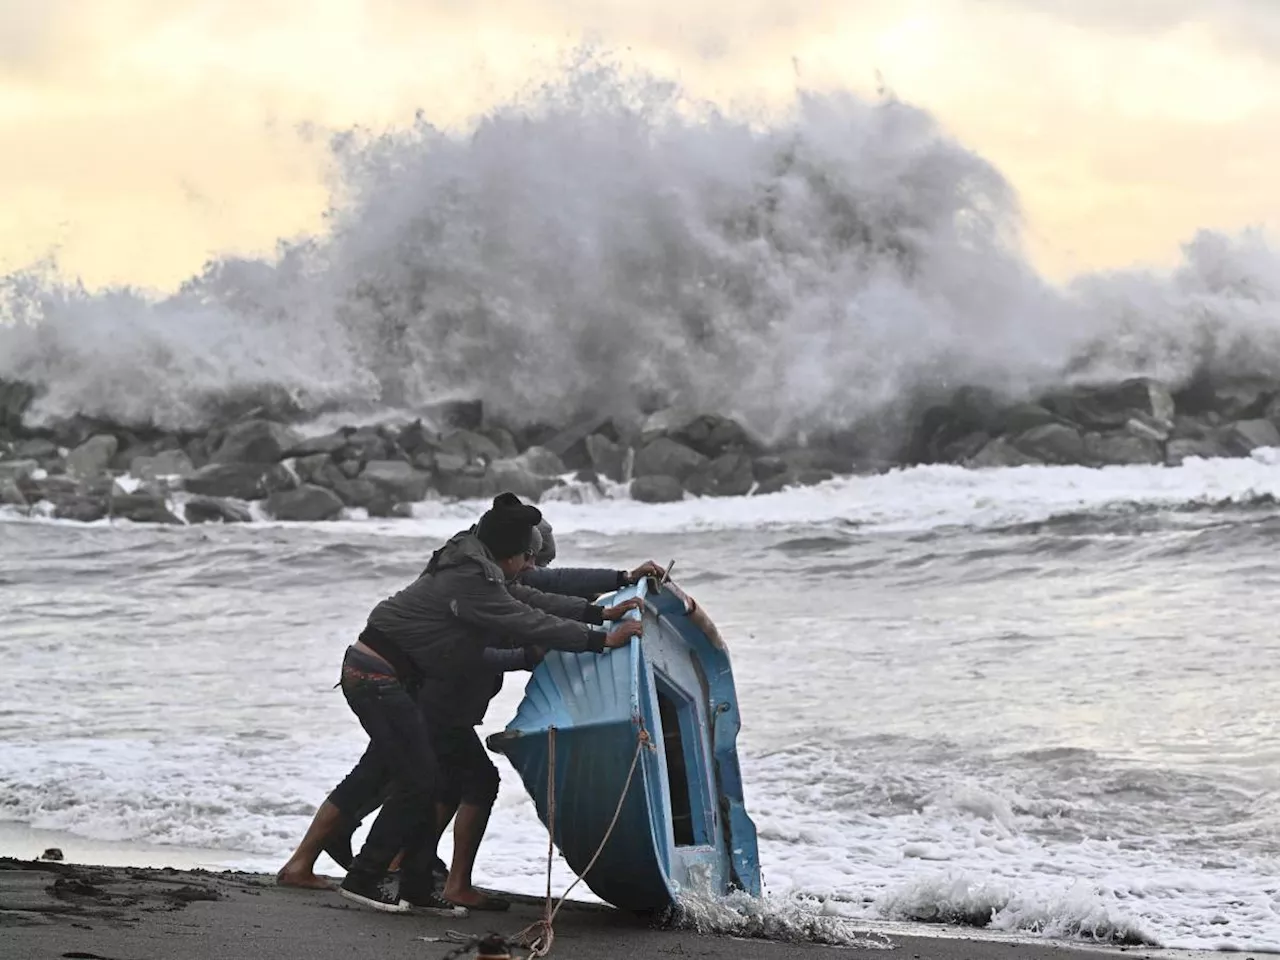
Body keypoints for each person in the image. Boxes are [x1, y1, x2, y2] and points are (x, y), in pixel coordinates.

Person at [276, 517, 663, 893]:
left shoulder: (480, 568)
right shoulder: (473, 579)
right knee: (426, 779)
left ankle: (388, 867)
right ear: (512, 553)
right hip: (405, 688)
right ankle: (384, 872)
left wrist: (606, 600)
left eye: (538, 560)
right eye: (531, 558)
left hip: (401, 685)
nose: (533, 568)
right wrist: (591, 639)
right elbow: (509, 629)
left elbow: (534, 598)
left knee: (397, 777)